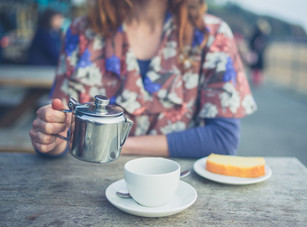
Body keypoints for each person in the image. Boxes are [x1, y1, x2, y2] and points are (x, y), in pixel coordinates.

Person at [29, 0, 257, 159]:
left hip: (177, 191)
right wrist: (50, 138)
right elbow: (60, 129)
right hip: (82, 192)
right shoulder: (82, 32)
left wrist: (113, 145)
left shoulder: (213, 35)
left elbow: (223, 138)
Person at [248, 19, 271, 87]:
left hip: (255, 53)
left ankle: (256, 81)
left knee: (255, 67)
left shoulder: (256, 33)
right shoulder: (262, 34)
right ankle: (257, 82)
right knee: (258, 67)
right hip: (258, 54)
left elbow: (251, 42)